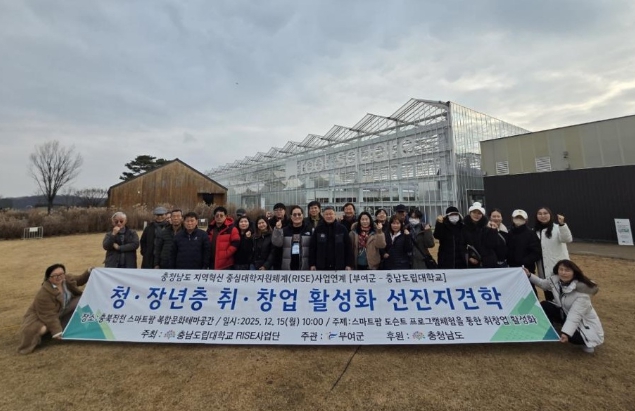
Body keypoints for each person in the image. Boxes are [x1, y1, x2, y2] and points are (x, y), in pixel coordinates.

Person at [525, 259, 604, 353]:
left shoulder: (582, 294)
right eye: (561, 269)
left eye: (567, 270)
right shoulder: (555, 280)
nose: (563, 273)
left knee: (573, 337)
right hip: (565, 312)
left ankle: (587, 343)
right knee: (545, 305)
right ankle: (548, 329)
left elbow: (574, 316)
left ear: (574, 272)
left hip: (583, 323)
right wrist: (529, 275)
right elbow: (542, 284)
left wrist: (566, 333)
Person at [18, 264, 92, 354]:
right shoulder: (44, 293)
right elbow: (49, 315)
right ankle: (47, 333)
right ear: (48, 278)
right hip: (41, 315)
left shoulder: (67, 279)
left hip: (62, 309)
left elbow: (80, 279)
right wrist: (56, 331)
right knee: (40, 329)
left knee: (81, 299)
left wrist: (89, 271)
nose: (59, 277)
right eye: (55, 275)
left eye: (61, 274)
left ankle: (62, 325)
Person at [534, 207, 573, 301]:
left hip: (559, 268)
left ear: (550, 215)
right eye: (540, 214)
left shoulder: (557, 228)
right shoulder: (535, 231)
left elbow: (567, 239)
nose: (543, 216)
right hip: (543, 268)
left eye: (545, 213)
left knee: (564, 297)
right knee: (549, 296)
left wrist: (562, 224)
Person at [310, 206, 354, 270]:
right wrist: (312, 264)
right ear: (323, 216)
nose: (329, 216)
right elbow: (313, 248)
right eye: (326, 214)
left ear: (335, 215)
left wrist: (349, 264)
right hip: (321, 267)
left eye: (331, 214)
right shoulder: (318, 229)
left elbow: (348, 248)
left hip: (339, 266)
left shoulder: (342, 229)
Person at [272, 205, 313, 270]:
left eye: (299, 214)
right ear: (291, 217)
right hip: (288, 267)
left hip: (305, 267)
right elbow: (277, 243)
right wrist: (277, 229)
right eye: (294, 215)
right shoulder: (284, 230)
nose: (297, 216)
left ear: (303, 215)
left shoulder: (309, 230)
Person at [462, 202, 501, 268]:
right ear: (470, 213)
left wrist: (493, 231)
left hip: (488, 263)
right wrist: (469, 257)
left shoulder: (488, 227)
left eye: (479, 213)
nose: (476, 215)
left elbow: (492, 245)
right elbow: (461, 245)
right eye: (474, 212)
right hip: (472, 263)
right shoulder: (464, 228)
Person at [507, 209, 542, 274]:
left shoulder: (531, 234)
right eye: (517, 217)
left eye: (521, 218)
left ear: (526, 220)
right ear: (512, 219)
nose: (518, 219)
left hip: (527, 270)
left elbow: (537, 253)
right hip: (511, 270)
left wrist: (523, 262)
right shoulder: (509, 233)